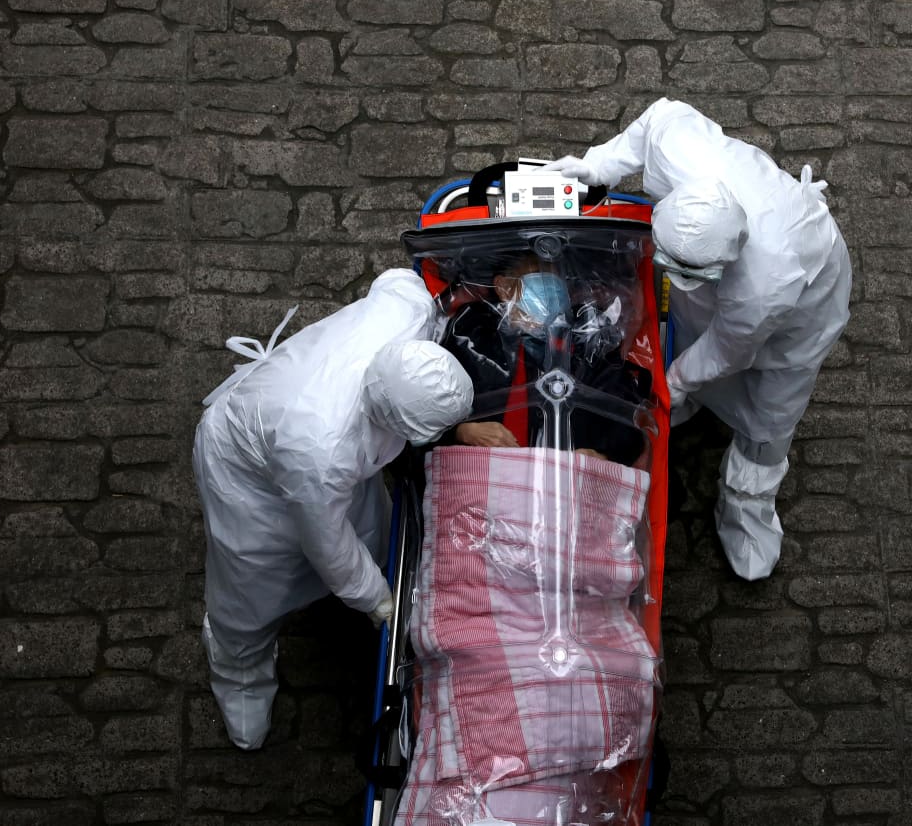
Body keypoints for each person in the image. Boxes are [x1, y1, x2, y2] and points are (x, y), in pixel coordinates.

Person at [545, 97, 852, 581]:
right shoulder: (680, 147)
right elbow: (653, 122)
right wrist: (596, 164)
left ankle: (747, 506)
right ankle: (685, 406)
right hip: (733, 287)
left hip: (804, 307)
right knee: (688, 323)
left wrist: (676, 380)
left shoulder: (765, 287)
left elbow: (728, 350)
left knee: (772, 410)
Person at [192, 269, 474, 750]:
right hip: (244, 472)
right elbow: (326, 543)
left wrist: (447, 304)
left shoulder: (404, 314)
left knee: (371, 527)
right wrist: (375, 600)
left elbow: (398, 281)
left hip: (309, 437)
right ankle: (238, 669)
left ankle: (380, 581)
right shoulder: (318, 451)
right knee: (251, 585)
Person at [439, 254, 653, 468]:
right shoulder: (472, 334)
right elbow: (424, 412)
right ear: (504, 287)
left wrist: (603, 456)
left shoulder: (589, 338)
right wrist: (464, 431)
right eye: (540, 272)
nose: (553, 282)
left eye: (557, 273)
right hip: (484, 482)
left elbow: (629, 423)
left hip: (569, 488)